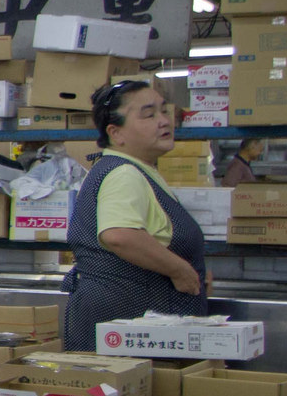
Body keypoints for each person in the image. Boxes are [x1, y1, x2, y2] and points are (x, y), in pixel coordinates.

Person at [61, 79, 211, 350]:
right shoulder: (124, 174)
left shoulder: (138, 170)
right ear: (116, 133)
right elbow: (120, 235)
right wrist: (180, 270)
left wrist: (191, 268)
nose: (164, 121)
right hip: (127, 324)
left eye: (163, 111)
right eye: (149, 115)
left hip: (135, 323)